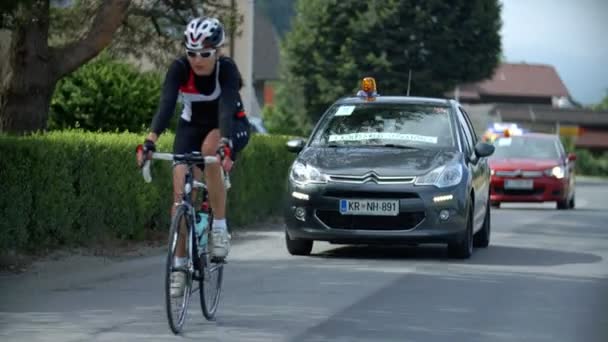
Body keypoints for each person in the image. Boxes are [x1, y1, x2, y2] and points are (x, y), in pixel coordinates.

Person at [137, 16, 250, 297]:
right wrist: (150, 141)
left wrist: (225, 142)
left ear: (217, 52)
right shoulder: (179, 69)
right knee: (179, 199)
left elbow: (225, 106)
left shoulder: (226, 69)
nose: (197, 60)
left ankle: (220, 229)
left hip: (228, 126)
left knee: (209, 150)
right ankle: (178, 266)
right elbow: (165, 105)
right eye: (191, 53)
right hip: (190, 127)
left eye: (204, 54)